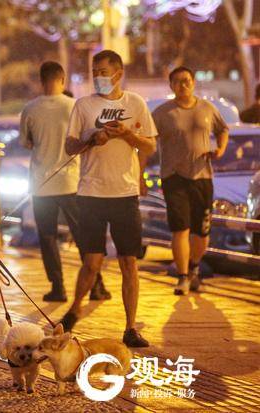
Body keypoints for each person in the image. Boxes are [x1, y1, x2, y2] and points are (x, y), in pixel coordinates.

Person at [59, 50, 157, 348]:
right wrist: (92, 138)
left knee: (129, 261)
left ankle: (130, 327)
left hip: (125, 194)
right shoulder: (83, 105)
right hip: (91, 193)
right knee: (92, 261)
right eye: (94, 71)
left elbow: (149, 146)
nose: (97, 77)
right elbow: (70, 147)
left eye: (103, 71)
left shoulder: (135, 103)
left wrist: (126, 134)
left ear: (118, 73)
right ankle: (74, 309)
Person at [19, 61, 111, 302]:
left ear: (41, 81)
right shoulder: (75, 106)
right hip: (72, 181)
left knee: (47, 237)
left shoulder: (30, 109)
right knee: (83, 236)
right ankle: (96, 285)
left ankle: (57, 287)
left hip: (41, 183)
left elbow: (26, 143)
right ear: (63, 80)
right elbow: (88, 139)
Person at [152, 66, 229, 295]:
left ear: (193, 82)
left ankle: (194, 266)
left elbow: (222, 129)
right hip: (173, 177)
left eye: (186, 80)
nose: (182, 85)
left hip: (202, 177)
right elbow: (147, 142)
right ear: (171, 86)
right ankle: (183, 277)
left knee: (202, 233)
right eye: (177, 81)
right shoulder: (162, 113)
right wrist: (139, 174)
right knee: (180, 229)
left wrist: (220, 149)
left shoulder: (207, 108)